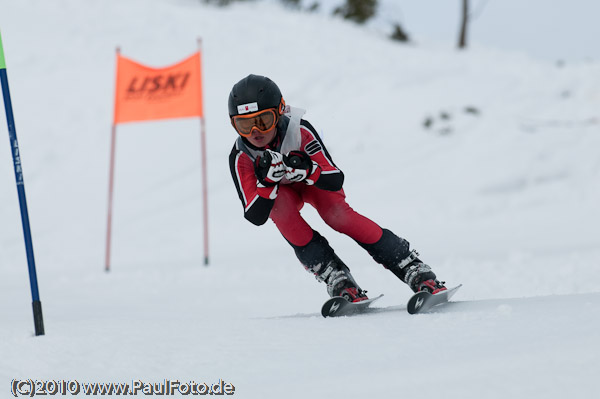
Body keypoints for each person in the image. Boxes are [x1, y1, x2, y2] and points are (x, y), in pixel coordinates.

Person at [228, 74, 447, 302]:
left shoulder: (298, 131)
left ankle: (410, 265)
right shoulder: (241, 155)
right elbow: (255, 216)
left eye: (263, 120)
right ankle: (335, 276)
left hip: (311, 186)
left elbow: (335, 179)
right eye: (244, 125)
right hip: (283, 195)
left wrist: (309, 171)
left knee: (337, 215)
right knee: (280, 209)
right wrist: (266, 184)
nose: (255, 131)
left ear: (280, 112)